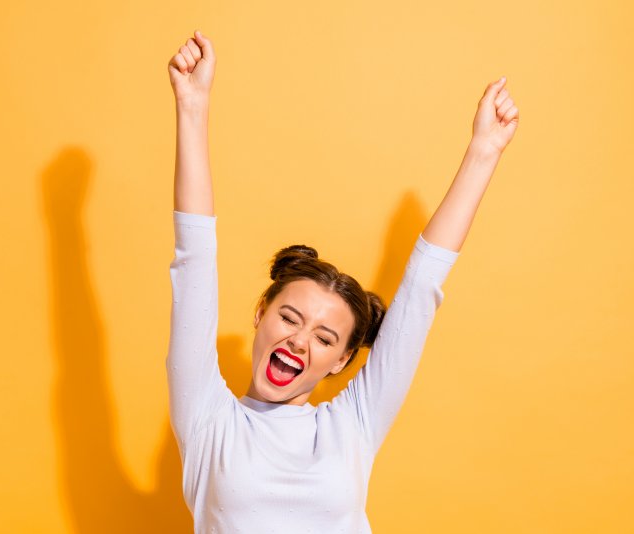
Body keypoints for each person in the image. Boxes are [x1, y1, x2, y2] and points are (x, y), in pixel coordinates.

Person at [165, 29, 519, 534]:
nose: (299, 340)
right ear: (261, 314)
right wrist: (192, 107)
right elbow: (193, 262)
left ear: (342, 361)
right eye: (290, 317)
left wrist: (484, 150)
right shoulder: (207, 419)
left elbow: (421, 290)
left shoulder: (352, 425)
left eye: (325, 337)